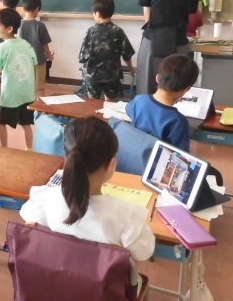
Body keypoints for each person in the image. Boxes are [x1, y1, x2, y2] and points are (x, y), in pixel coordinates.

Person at [19, 117, 155, 292]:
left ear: (67, 157)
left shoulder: (47, 198)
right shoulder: (127, 215)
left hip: (57, 285)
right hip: (103, 293)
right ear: (111, 164)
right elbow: (144, 252)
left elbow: (29, 219)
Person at [136, 0, 200, 95]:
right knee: (177, 80)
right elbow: (191, 11)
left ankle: (147, 108)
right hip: (179, 40)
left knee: (147, 82)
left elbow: (146, 6)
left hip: (153, 38)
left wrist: (150, 25)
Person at [126, 54, 198, 151]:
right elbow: (180, 154)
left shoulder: (139, 100)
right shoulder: (178, 121)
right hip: (158, 159)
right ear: (186, 89)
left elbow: (129, 111)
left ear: (157, 78)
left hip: (135, 153)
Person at [0, 8, 36, 149]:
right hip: (27, 93)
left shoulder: (0, 48)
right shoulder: (26, 44)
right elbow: (34, 63)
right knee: (26, 124)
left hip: (10, 95)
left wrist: (2, 69)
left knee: (1, 122)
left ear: (9, 29)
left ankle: (4, 149)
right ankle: (29, 150)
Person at [78, 0, 135, 102]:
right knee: (110, 103)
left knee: (92, 102)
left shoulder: (90, 31)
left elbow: (82, 56)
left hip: (92, 75)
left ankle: (93, 111)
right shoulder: (118, 31)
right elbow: (127, 54)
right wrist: (131, 68)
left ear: (97, 13)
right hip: (111, 75)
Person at [19, 0, 53, 96]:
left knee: (24, 87)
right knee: (40, 88)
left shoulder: (18, 25)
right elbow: (45, 45)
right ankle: (39, 105)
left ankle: (26, 105)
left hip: (22, 61)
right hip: (39, 61)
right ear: (37, 8)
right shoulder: (40, 25)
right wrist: (49, 56)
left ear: (23, 8)